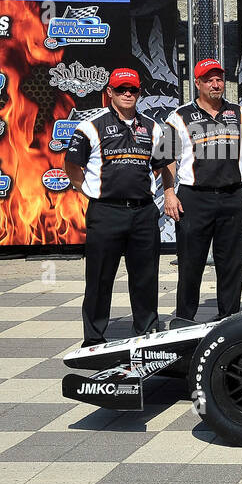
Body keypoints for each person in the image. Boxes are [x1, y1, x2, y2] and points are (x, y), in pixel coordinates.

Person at [64, 68, 169, 346]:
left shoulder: (153, 127)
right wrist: (88, 191)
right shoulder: (90, 126)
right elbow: (73, 166)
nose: (127, 94)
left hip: (143, 212)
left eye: (132, 90)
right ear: (109, 92)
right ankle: (94, 338)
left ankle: (146, 333)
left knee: (145, 277)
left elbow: (160, 166)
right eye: (121, 89)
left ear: (139, 92)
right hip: (105, 212)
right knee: (99, 278)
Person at [161, 58, 242, 326]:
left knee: (231, 263)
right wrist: (169, 193)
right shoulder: (179, 116)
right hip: (195, 198)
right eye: (209, 79)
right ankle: (184, 318)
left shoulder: (239, 113)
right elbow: (167, 157)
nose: (216, 84)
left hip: (232, 195)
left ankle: (229, 317)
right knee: (190, 262)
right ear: (197, 83)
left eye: (219, 79)